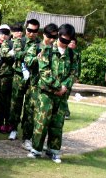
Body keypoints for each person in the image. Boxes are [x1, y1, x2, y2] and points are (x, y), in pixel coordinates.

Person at [28, 23, 78, 163]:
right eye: (63, 40)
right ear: (58, 37)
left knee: (57, 124)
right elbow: (44, 72)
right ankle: (36, 149)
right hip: (46, 94)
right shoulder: (47, 51)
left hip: (62, 96)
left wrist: (64, 87)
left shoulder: (73, 54)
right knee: (41, 122)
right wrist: (58, 87)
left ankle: (53, 151)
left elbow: (74, 73)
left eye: (68, 41)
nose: (65, 43)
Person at [7, 19, 40, 140]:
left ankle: (27, 135)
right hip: (18, 76)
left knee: (29, 107)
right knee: (15, 104)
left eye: (34, 31)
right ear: (26, 29)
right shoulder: (19, 41)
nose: (32, 33)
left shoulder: (39, 44)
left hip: (33, 78)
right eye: (29, 30)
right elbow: (17, 54)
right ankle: (13, 128)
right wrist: (31, 54)